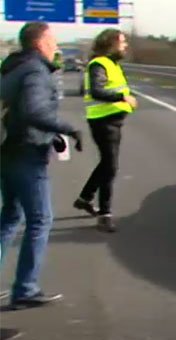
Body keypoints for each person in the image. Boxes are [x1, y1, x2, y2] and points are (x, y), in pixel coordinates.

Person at [0, 22, 83, 310]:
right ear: (40, 43)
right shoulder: (35, 70)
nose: (56, 46)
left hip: (7, 150)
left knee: (10, 216)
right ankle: (25, 289)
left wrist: (53, 135)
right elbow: (34, 111)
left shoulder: (12, 67)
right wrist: (68, 128)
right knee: (40, 219)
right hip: (26, 153)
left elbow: (19, 111)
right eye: (53, 41)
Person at [73, 29, 138, 232]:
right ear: (110, 43)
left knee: (106, 164)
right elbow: (97, 90)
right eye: (122, 42)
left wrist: (126, 97)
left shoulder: (112, 64)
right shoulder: (99, 64)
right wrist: (123, 98)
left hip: (111, 121)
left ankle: (85, 198)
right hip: (103, 121)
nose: (125, 45)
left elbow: (115, 87)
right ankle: (104, 214)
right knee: (110, 167)